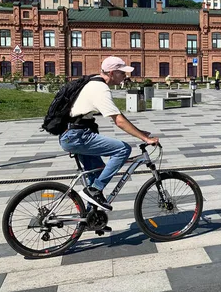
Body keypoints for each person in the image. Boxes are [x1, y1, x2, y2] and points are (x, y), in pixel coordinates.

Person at [59, 56, 158, 211]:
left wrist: (139, 132)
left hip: (73, 134)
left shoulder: (93, 82)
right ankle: (96, 190)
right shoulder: (100, 88)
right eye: (122, 73)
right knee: (123, 149)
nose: (125, 76)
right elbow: (118, 120)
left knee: (97, 170)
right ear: (112, 73)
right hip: (77, 136)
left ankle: (91, 217)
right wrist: (145, 138)